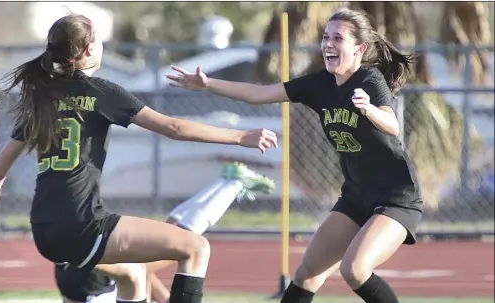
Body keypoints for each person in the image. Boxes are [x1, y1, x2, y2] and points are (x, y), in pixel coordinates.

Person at [0, 14, 278, 303]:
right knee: (196, 248)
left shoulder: (44, 98)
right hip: (81, 224)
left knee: (132, 273)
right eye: (99, 39)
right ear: (90, 47)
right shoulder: (101, 91)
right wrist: (240, 136)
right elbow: (174, 128)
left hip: (44, 229)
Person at [166, 7, 423, 303]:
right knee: (306, 274)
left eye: (338, 38)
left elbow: (392, 125)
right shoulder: (319, 85)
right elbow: (257, 93)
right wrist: (207, 83)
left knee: (355, 269)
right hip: (356, 197)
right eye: (325, 37)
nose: (328, 44)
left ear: (359, 48)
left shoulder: (369, 80)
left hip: (396, 197)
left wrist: (369, 110)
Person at [55, 162, 275, 303]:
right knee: (173, 233)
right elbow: (144, 275)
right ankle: (228, 182)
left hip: (93, 280)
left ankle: (231, 184)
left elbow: (140, 275)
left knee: (181, 241)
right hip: (83, 267)